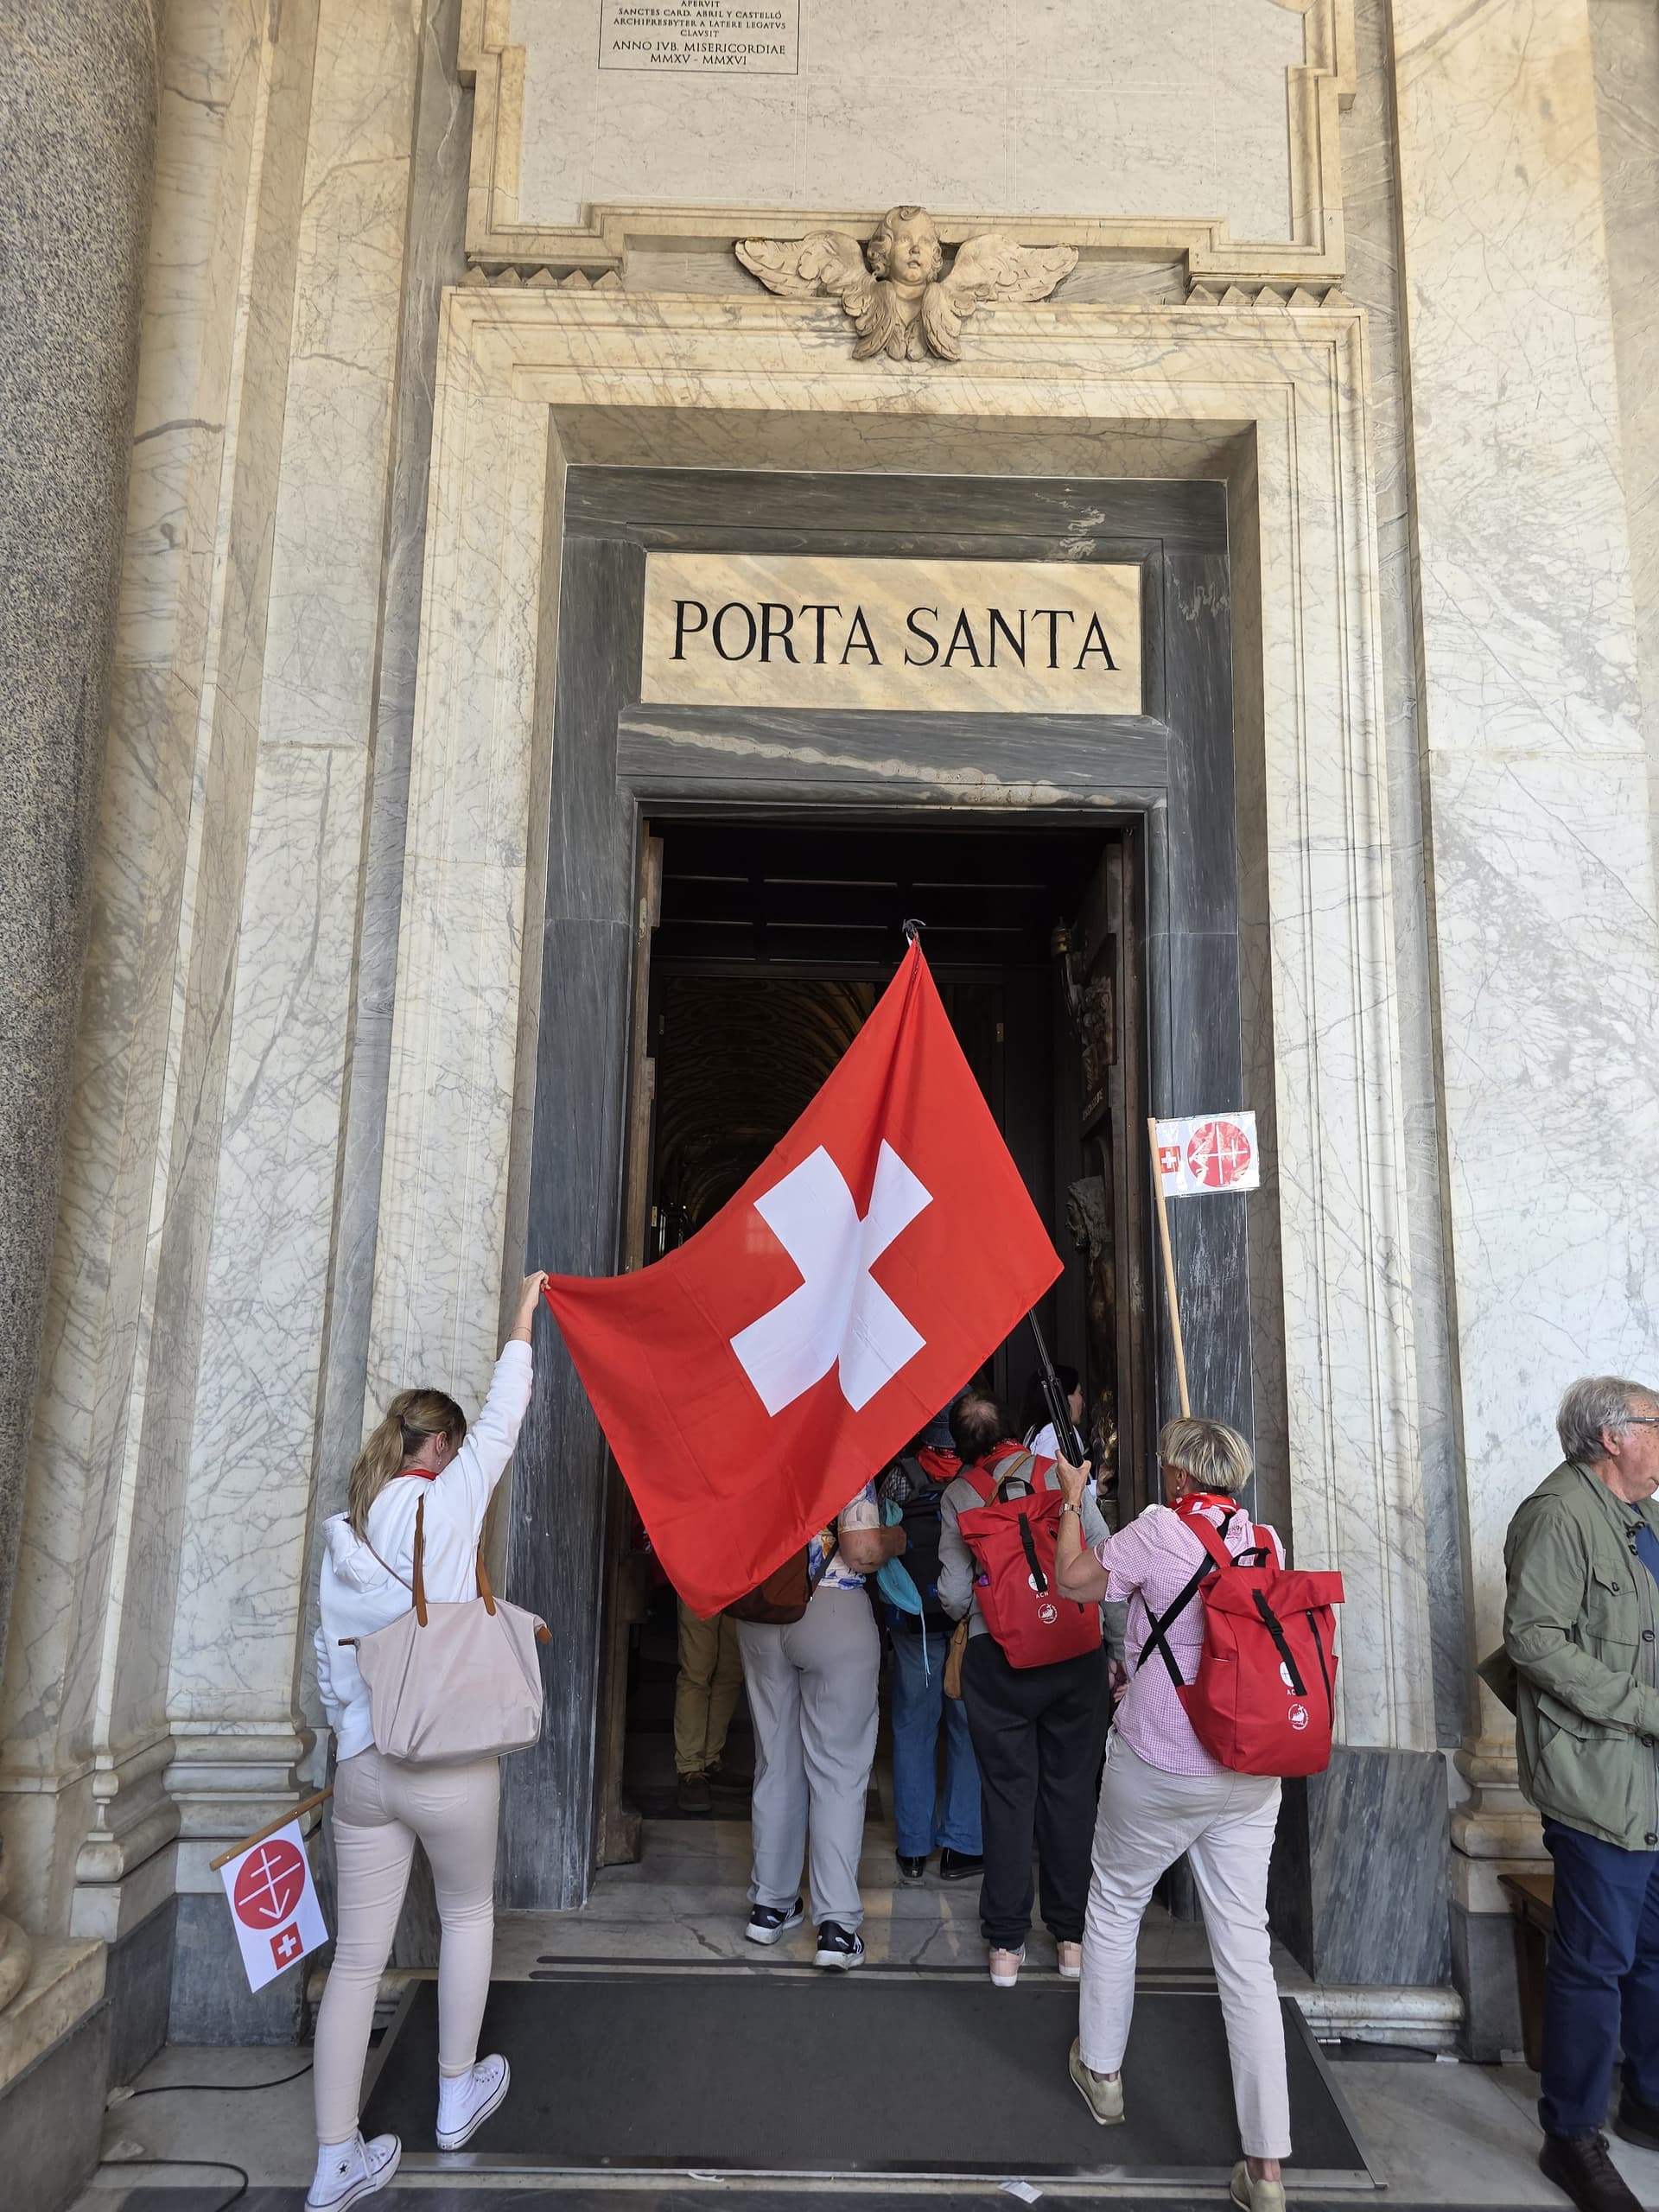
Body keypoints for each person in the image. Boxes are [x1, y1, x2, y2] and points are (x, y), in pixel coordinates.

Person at [308, 1272, 547, 2211]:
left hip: (364, 1769)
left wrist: (352, 1742)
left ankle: (335, 2161)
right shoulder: (450, 1504)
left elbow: (335, 1670)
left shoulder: (350, 1530)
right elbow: (508, 1412)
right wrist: (523, 1318)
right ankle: (455, 2096)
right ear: (440, 1448)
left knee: (357, 1962)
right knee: (466, 1916)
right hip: (449, 1766)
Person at [1052, 1414, 1289, 2212]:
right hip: (1250, 1772)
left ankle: (1106, 2074)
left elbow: (1075, 1582)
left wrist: (1069, 1504)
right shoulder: (1266, 1540)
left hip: (1161, 1761)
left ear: (1179, 1476)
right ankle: (1266, 2171)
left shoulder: (1157, 1528)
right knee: (1246, 1953)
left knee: (1115, 1905)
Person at [1499, 1376, 1659, 2212]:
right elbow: (1532, 1639)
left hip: (1652, 1776)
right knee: (1594, 1964)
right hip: (1599, 1773)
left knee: (1655, 1946)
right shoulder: (1558, 1514)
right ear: (1612, 1436)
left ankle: (1651, 2101)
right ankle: (1571, 2134)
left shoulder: (1644, 1518)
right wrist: (1643, 1709)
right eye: (1658, 1422)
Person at [938, 1389, 1111, 1986]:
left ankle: (1006, 1948)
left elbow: (956, 1595)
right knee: (1071, 1793)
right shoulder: (1060, 1475)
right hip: (1074, 1654)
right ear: (1015, 1428)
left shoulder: (959, 1494)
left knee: (1008, 1796)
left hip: (999, 1658)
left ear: (960, 1444)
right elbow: (1103, 1561)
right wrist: (1114, 1650)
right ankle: (1071, 1940)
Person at [734, 1482, 906, 1968]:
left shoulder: (754, 1447)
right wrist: (897, 1538)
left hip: (761, 1611)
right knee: (838, 1771)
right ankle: (836, 1928)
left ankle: (770, 1905)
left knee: (775, 1759)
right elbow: (863, 1549)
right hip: (833, 1606)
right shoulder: (841, 1445)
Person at [876, 1416, 982, 1885]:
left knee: (913, 1729)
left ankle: (914, 1847)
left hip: (912, 1619)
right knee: (967, 1730)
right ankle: (961, 1846)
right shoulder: (978, 1478)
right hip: (966, 1621)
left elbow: (878, 1547)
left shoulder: (899, 1476)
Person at [673, 1596, 745, 1813]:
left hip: (739, 1579)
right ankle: (690, 1768)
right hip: (699, 1576)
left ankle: (710, 1758)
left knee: (732, 1670)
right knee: (696, 1672)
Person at [1020, 1363, 1084, 1466]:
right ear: (1066, 1396)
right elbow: (1047, 1479)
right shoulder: (1057, 1434)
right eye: (1080, 1393)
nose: (1083, 1403)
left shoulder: (1037, 1430)